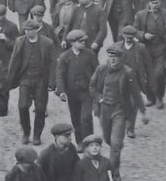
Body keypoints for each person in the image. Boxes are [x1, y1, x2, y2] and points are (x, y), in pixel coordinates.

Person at [88, 45, 146, 175]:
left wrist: (143, 112)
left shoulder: (127, 72)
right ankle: (117, 146)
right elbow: (92, 86)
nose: (113, 59)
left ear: (121, 58)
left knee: (115, 144)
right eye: (111, 56)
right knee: (108, 139)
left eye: (116, 57)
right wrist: (99, 98)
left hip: (119, 110)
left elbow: (136, 93)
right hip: (104, 109)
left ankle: (114, 173)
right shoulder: (101, 69)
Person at [6, 19, 55, 146]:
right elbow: (14, 60)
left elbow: (52, 63)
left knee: (40, 108)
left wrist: (51, 82)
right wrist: (9, 80)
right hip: (25, 78)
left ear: (37, 30)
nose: (28, 32)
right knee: (22, 106)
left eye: (30, 30)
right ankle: (26, 133)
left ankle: (37, 135)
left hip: (41, 80)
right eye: (26, 30)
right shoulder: (20, 41)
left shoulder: (47, 43)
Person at [55, 29, 98, 145]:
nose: (84, 43)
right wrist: (61, 91)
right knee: (75, 118)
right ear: (72, 42)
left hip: (87, 92)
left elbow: (97, 72)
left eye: (84, 41)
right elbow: (60, 75)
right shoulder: (65, 57)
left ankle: (89, 141)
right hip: (72, 93)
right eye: (80, 41)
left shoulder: (90, 55)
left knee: (86, 117)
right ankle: (79, 141)